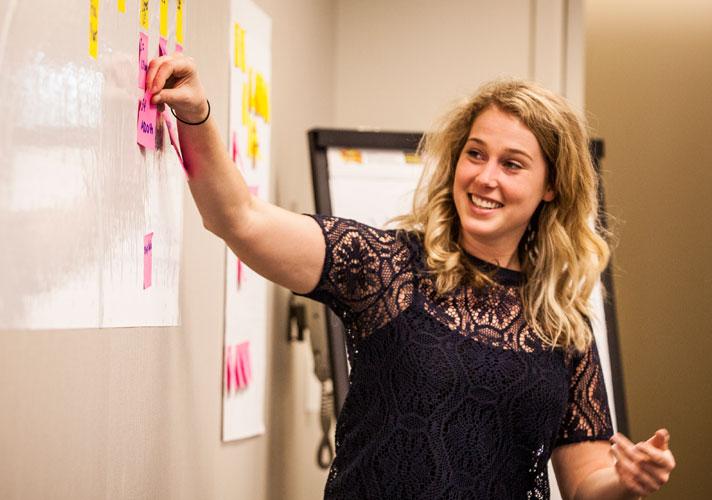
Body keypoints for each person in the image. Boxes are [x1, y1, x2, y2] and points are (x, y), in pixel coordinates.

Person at [146, 54, 676, 499]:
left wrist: (625, 481)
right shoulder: (387, 268)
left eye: (512, 164)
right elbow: (239, 218)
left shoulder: (562, 326)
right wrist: (197, 114)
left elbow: (585, 484)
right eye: (475, 154)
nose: (485, 177)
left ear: (551, 186)